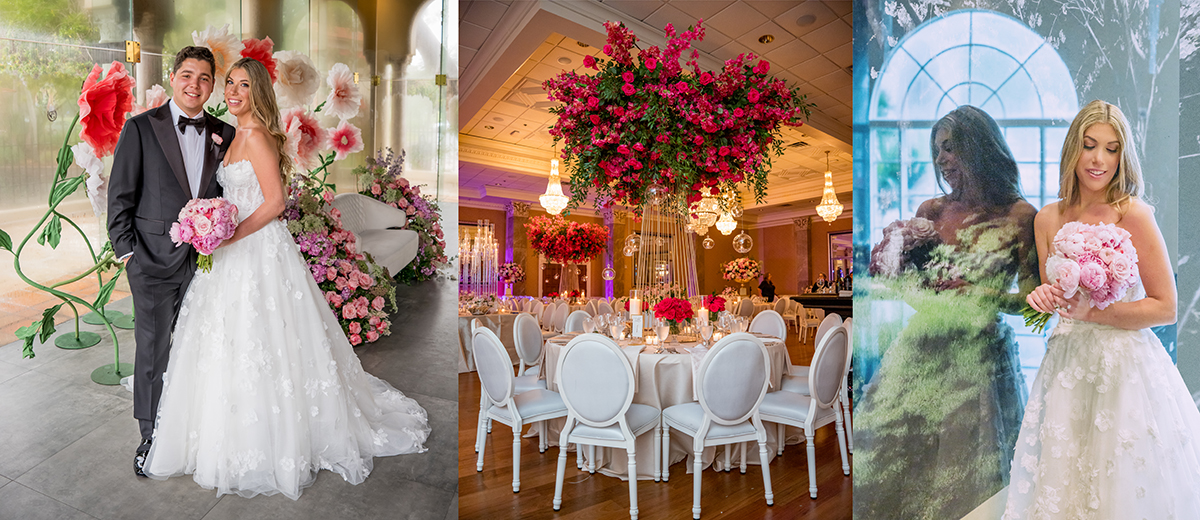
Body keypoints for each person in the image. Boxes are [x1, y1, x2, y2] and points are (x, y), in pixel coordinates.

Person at [141, 57, 430, 499]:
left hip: (256, 250)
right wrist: (210, 225)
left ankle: (272, 437)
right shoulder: (234, 134)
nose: (232, 93)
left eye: (243, 86)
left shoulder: (255, 137)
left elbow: (275, 202)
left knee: (263, 337)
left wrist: (229, 233)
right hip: (229, 252)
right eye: (230, 84)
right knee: (227, 340)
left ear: (258, 91)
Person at [1004, 100, 1200, 518]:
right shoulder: (1046, 219)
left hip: (1125, 372)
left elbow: (1166, 307)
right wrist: (1040, 299)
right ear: (1073, 148)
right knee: (1066, 484)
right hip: (1067, 368)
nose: (1098, 159)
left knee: (1120, 487)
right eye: (1090, 145)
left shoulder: (1135, 214)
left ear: (1122, 155)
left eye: (1111, 149)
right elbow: (1055, 300)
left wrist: (1096, 314)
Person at [855, 105, 1039, 518]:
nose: (941, 160)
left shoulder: (1021, 216)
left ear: (980, 148)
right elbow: (913, 291)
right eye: (938, 150)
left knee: (967, 473)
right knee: (904, 462)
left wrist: (978, 294)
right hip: (921, 349)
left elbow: (1034, 309)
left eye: (951, 148)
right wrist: (901, 273)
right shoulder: (931, 212)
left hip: (981, 360)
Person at [107, 46, 236, 477]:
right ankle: (150, 435)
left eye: (203, 78)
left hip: (207, 263)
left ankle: (191, 426)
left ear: (212, 84)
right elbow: (120, 196)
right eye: (186, 75)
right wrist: (128, 255)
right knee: (154, 349)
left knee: (197, 347)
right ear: (173, 76)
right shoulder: (140, 128)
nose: (194, 85)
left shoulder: (225, 132)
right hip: (151, 260)